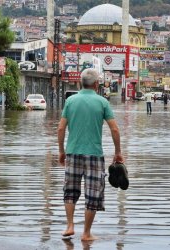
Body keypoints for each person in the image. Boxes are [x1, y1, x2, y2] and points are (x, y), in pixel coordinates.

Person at [57, 68, 124, 241]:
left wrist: (61, 151)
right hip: (94, 155)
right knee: (93, 193)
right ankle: (86, 233)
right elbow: (115, 129)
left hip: (72, 153)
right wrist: (118, 152)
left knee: (70, 190)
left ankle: (70, 225)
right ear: (96, 84)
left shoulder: (70, 101)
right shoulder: (102, 102)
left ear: (81, 83)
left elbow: (61, 128)